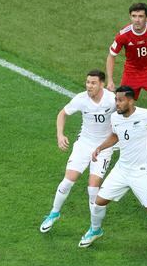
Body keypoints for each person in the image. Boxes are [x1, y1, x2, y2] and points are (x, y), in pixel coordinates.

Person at [78, 86, 147, 266]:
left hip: (141, 173)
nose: (117, 104)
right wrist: (101, 147)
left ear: (131, 100)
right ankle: (95, 230)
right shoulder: (115, 117)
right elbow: (115, 135)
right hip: (121, 170)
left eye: (120, 100)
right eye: (116, 100)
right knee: (98, 202)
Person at [40, 70, 116, 233]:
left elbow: (127, 113)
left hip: (103, 148)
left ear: (101, 84)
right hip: (84, 144)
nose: (89, 86)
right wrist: (60, 135)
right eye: (87, 82)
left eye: (93, 83)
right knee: (68, 181)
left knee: (92, 188)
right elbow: (62, 114)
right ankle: (54, 213)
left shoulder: (111, 100)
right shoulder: (81, 99)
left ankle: (95, 228)